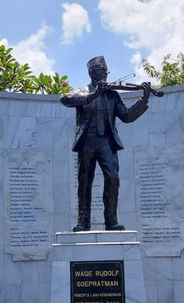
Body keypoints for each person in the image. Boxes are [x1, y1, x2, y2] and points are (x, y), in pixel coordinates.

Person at [60, 56, 151, 232]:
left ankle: (111, 221)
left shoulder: (112, 95)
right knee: (85, 181)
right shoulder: (82, 91)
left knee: (113, 178)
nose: (106, 75)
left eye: (107, 71)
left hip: (107, 142)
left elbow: (126, 116)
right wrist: (93, 95)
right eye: (103, 71)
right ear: (92, 72)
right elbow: (65, 98)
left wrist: (144, 100)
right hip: (86, 141)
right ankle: (83, 222)